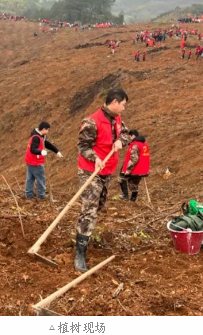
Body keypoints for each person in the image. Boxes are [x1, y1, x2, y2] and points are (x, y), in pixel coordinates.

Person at [75, 88, 131, 272]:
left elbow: (126, 133)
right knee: (89, 209)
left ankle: (82, 232)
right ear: (114, 102)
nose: (123, 108)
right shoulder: (92, 121)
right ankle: (80, 252)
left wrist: (121, 141)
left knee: (99, 206)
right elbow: (82, 146)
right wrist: (95, 157)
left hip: (107, 170)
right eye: (123, 104)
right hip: (90, 170)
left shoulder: (117, 119)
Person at [24, 122, 63, 200]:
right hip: (36, 161)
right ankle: (41, 195)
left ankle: (28, 194)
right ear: (44, 129)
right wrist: (41, 152)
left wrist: (56, 151)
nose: (48, 131)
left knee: (30, 178)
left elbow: (46, 144)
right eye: (48, 130)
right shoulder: (36, 137)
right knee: (41, 178)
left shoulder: (40, 135)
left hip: (30, 160)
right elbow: (33, 149)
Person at [118, 130, 150, 202]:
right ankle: (133, 199)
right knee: (134, 183)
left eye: (130, 136)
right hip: (143, 169)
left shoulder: (135, 145)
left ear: (132, 136)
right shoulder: (144, 144)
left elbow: (134, 159)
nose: (129, 138)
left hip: (135, 169)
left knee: (121, 179)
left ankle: (125, 195)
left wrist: (128, 170)